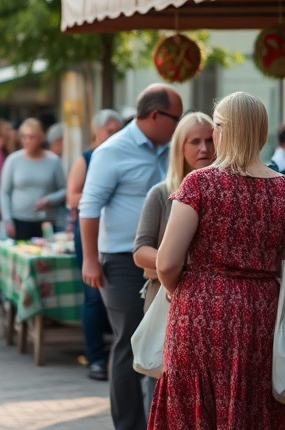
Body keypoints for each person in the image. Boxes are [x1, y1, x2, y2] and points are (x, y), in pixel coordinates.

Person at [149, 92, 285, 429]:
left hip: (199, 312)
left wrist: (177, 291)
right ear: (261, 132)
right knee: (257, 402)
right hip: (261, 315)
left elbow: (166, 262)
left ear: (223, 131)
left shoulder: (199, 184)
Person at [79, 84, 181, 430]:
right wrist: (90, 259)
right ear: (155, 116)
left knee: (160, 341)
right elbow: (89, 207)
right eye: (175, 118)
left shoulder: (170, 149)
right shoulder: (113, 150)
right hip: (122, 261)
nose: (178, 125)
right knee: (129, 341)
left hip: (165, 260)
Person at [131, 111, 214, 417]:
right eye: (195, 141)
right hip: (164, 301)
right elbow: (140, 250)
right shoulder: (162, 193)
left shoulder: (221, 192)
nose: (204, 148)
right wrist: (174, 261)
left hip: (209, 307)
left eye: (210, 140)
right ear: (180, 147)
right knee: (159, 381)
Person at [65, 108, 123, 381]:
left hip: (117, 234)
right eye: (109, 131)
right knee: (93, 295)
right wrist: (100, 194)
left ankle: (117, 356)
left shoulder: (123, 157)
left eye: (118, 131)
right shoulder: (86, 159)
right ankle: (95, 358)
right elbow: (72, 197)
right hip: (91, 232)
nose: (114, 135)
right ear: (97, 132)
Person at [0, 118, 66, 240]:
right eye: (24, 137)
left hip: (46, 221)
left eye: (31, 137)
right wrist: (7, 219)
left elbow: (64, 190)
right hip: (19, 220)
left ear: (41, 138)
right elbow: (4, 192)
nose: (27, 141)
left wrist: (49, 199)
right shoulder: (13, 160)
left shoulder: (53, 161)